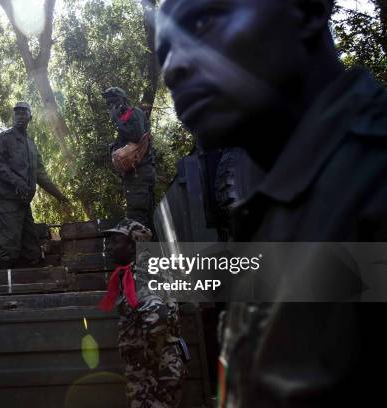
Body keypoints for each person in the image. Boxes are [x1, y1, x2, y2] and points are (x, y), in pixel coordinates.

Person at [157, 0, 387, 406]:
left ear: (307, 11)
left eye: (203, 20)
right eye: (164, 53)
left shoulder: (373, 184)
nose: (172, 68)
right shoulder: (272, 211)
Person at [101, 218, 187, 408]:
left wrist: (145, 359)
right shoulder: (147, 268)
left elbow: (159, 316)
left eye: (115, 241)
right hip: (162, 366)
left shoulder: (141, 274)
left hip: (154, 372)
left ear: (132, 246)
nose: (109, 246)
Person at [0, 102, 69, 268]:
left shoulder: (31, 145)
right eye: (16, 113)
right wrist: (16, 180)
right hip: (8, 201)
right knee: (9, 249)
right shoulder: (4, 138)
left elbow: (41, 175)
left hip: (24, 203)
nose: (19, 117)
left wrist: (59, 196)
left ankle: (36, 289)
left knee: (32, 249)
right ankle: (4, 289)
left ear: (29, 117)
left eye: (23, 113)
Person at [102, 87, 156, 229]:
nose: (111, 107)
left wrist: (116, 121)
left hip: (139, 175)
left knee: (137, 221)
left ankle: (142, 251)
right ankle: (151, 250)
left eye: (113, 102)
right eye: (108, 104)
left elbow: (136, 136)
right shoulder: (126, 119)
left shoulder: (134, 113)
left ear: (123, 100)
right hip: (136, 176)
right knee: (145, 222)